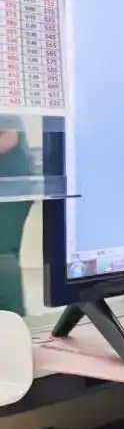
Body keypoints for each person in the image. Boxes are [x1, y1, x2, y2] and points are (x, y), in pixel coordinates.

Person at [0, 114, 33, 316]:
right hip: (10, 181)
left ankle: (11, 314)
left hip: (11, 184)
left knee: (3, 247)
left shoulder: (6, 108)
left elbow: (8, 138)